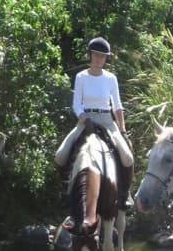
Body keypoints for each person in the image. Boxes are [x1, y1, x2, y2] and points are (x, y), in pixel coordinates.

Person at [54, 37, 134, 220]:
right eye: (96, 56)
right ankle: (65, 189)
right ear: (90, 56)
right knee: (60, 155)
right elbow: (76, 104)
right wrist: (84, 118)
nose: (99, 59)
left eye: (103, 56)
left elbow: (117, 105)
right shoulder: (81, 77)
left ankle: (124, 194)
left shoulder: (111, 78)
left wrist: (122, 129)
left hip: (106, 120)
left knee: (127, 157)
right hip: (86, 119)